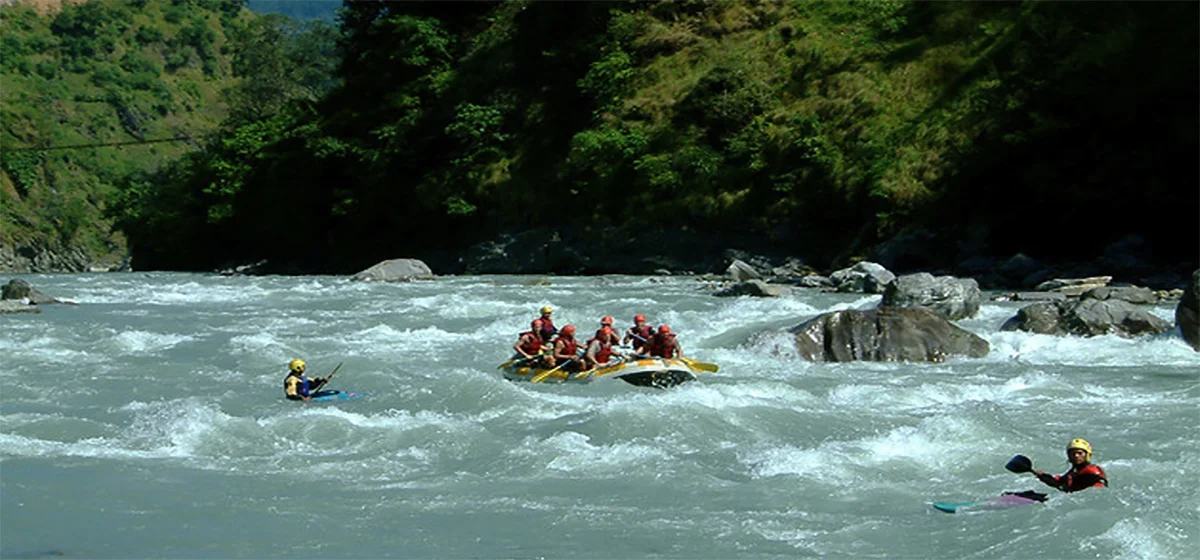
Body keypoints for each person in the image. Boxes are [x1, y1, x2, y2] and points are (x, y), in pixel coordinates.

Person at [1032, 438, 1108, 493]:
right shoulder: (1074, 471)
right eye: (1073, 453)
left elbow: (1098, 490)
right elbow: (1059, 482)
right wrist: (1043, 476)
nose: (1076, 456)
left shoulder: (1092, 472)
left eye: (1080, 453)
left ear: (1087, 455)